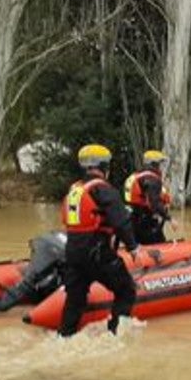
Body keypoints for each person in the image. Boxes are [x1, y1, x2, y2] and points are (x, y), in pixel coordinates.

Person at [58, 144, 141, 337]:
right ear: (104, 166)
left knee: (75, 300)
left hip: (73, 253)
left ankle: (64, 337)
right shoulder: (103, 189)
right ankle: (115, 335)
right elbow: (121, 222)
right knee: (126, 291)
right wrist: (133, 247)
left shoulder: (75, 190)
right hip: (97, 253)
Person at [0, 231, 66, 312]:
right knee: (32, 280)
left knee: (33, 279)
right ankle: (1, 303)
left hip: (54, 252)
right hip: (56, 255)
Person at [123, 150, 178, 244]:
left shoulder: (137, 175)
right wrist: (170, 218)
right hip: (145, 221)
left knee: (138, 244)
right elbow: (154, 203)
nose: (161, 167)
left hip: (132, 219)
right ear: (155, 164)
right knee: (159, 244)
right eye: (160, 164)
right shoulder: (152, 179)